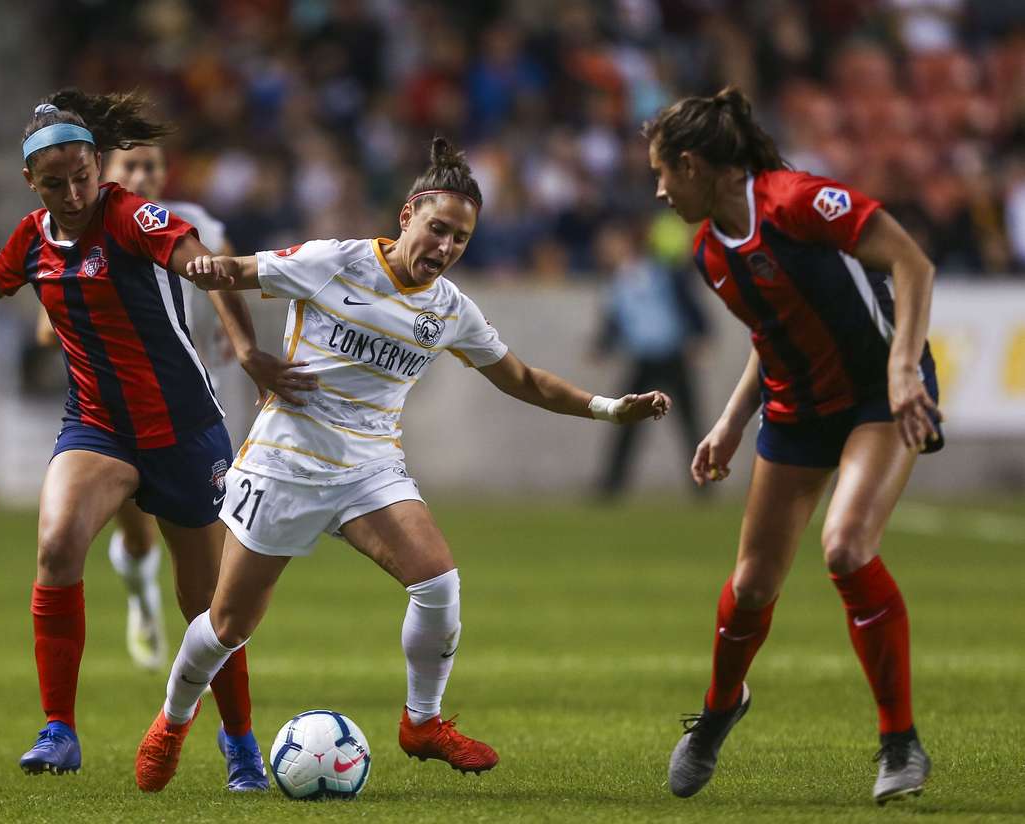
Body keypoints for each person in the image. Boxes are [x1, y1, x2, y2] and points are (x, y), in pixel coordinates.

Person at [130, 137, 672, 792]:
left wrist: (611, 408)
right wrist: (236, 335)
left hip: (370, 470)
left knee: (439, 583)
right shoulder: (335, 261)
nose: (445, 248)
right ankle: (173, 720)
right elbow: (225, 272)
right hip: (285, 464)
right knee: (226, 626)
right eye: (438, 229)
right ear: (409, 214)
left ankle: (422, 722)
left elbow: (523, 379)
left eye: (461, 240)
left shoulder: (448, 309)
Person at [0, 89, 315, 790]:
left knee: (207, 607)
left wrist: (208, 281)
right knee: (58, 544)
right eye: (54, 183)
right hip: (96, 426)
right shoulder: (32, 237)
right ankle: (59, 730)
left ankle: (239, 739)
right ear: (31, 181)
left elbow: (186, 249)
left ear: (100, 168)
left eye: (81, 178)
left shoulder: (128, 215)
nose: (70, 193)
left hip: (183, 430)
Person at [643, 87, 943, 804]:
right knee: (751, 586)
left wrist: (904, 366)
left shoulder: (799, 200)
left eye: (661, 173)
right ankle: (719, 710)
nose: (657, 190)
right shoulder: (710, 252)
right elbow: (768, 334)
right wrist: (729, 421)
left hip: (880, 396)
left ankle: (899, 742)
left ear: (692, 164)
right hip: (797, 409)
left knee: (845, 548)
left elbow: (914, 265)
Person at [95, 144, 238, 674]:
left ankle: (216, 667)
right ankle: (141, 600)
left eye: (151, 165)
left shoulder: (195, 223)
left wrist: (233, 332)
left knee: (210, 550)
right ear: (105, 174)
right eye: (129, 166)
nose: (141, 175)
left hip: (196, 403)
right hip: (123, 409)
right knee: (136, 534)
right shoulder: (91, 232)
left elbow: (227, 274)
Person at [592, 220, 709, 495]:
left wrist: (700, 334)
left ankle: (702, 483)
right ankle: (612, 484)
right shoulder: (619, 281)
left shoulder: (661, 272)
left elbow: (689, 304)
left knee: (689, 423)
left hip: (671, 355)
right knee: (625, 422)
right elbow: (616, 321)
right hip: (643, 359)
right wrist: (602, 345)